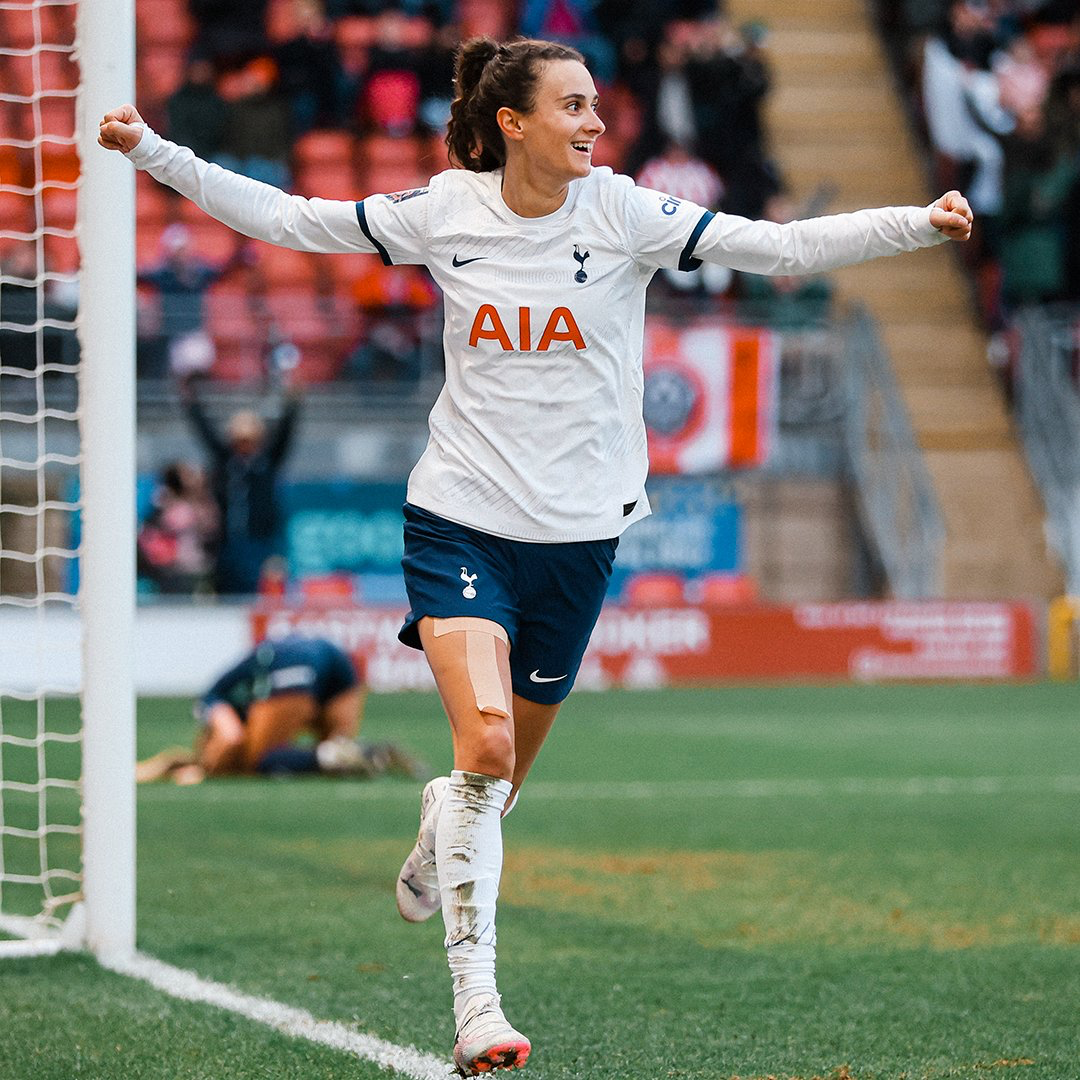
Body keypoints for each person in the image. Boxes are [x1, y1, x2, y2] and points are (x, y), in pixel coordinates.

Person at [99, 37, 972, 1075]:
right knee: (490, 751)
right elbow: (294, 219)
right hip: (459, 519)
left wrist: (918, 224)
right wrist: (159, 154)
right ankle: (478, 1007)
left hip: (579, 538)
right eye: (573, 106)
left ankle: (444, 822)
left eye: (596, 104)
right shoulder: (444, 210)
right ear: (513, 122)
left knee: (494, 784)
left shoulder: (626, 213)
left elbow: (774, 249)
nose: (595, 122)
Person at [135, 634, 423, 784]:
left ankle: (341, 755)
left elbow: (230, 737)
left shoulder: (217, 702)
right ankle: (353, 753)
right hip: (335, 663)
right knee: (336, 746)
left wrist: (207, 769)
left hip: (293, 662)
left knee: (258, 760)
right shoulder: (246, 699)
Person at [181, 374, 300, 595]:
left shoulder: (267, 463)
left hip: (260, 542)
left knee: (259, 593)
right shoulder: (227, 462)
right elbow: (205, 432)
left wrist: (292, 403)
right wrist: (192, 403)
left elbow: (285, 434)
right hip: (228, 543)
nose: (245, 445)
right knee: (226, 592)